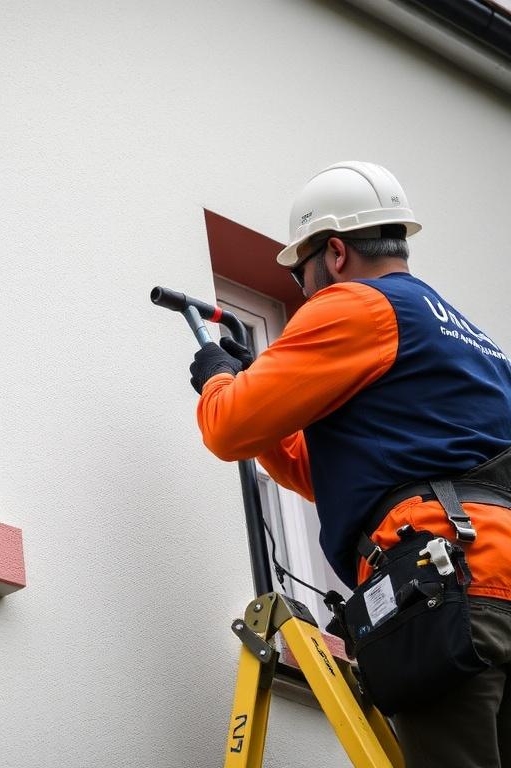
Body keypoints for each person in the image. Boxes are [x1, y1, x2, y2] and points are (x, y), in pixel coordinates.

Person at [189, 161, 511, 767]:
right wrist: (260, 400)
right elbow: (329, 471)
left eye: (303, 277)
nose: (306, 296)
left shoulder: (356, 307)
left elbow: (227, 429)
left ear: (334, 252)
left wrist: (221, 386)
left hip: (447, 584)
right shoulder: (472, 339)